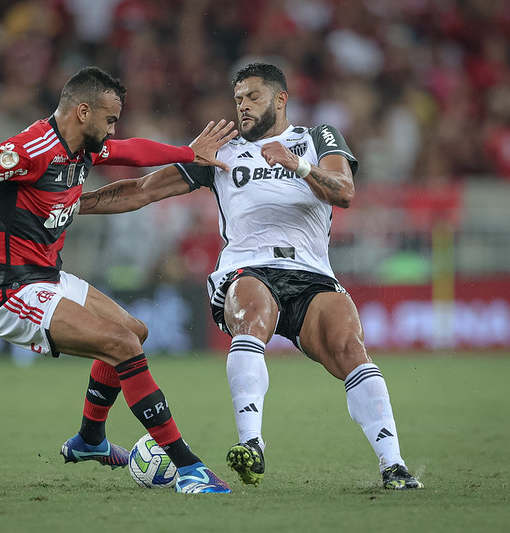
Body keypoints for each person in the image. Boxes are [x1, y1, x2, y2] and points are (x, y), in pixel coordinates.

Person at [0, 66, 238, 494]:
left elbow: (133, 151)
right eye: (109, 119)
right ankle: (189, 468)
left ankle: (90, 440)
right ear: (83, 112)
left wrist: (186, 153)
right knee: (121, 346)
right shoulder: (30, 150)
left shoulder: (86, 147)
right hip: (8, 290)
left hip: (47, 277)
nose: (112, 130)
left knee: (133, 331)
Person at [73, 62, 424, 490]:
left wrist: (297, 166)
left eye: (253, 97)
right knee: (253, 310)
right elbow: (143, 190)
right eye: (238, 99)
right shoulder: (221, 149)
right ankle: (251, 444)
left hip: (311, 272)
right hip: (248, 267)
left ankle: (394, 466)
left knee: (349, 346)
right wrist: (74, 202)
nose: (243, 106)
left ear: (281, 99)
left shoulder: (316, 138)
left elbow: (345, 191)